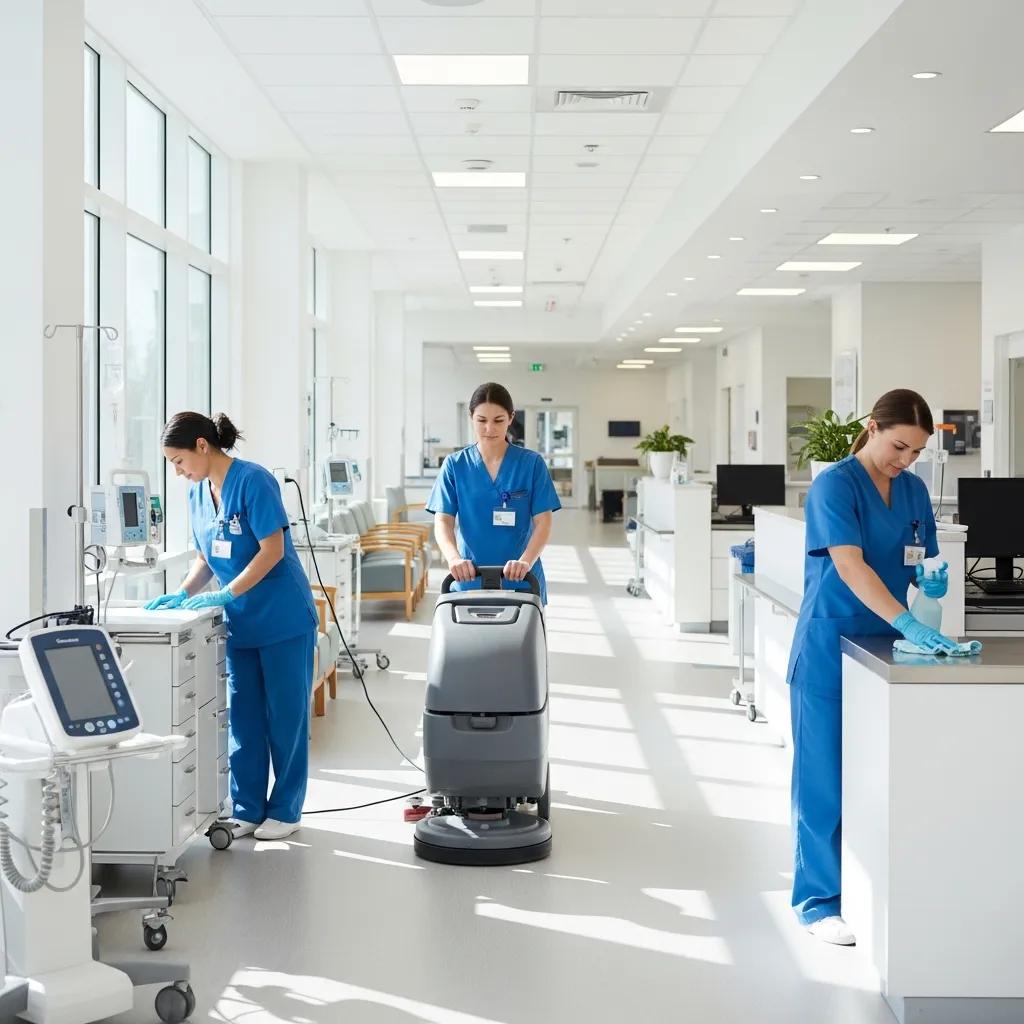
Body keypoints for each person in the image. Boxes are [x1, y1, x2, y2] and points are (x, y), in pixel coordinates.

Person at [787, 389, 959, 945]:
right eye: (899, 446)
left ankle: (867, 886)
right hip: (830, 644)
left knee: (877, 776)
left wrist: (928, 586)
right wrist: (908, 623)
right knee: (824, 779)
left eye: (916, 453)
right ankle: (818, 900)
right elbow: (851, 565)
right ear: (873, 427)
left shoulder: (911, 491)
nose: (905, 461)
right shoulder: (834, 484)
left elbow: (917, 559)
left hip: (884, 647)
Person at [144, 412, 318, 842]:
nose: (178, 471)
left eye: (178, 460)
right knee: (243, 719)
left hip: (282, 618)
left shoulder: (254, 481)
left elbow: (273, 549)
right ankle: (248, 808)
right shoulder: (198, 495)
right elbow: (206, 557)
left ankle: (286, 809)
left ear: (203, 446)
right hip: (240, 624)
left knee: (286, 717)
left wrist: (228, 593)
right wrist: (184, 593)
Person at [427, 383, 561, 603]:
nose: (489, 428)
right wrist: (453, 559)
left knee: (525, 637)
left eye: (498, 420)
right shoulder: (455, 465)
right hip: (469, 576)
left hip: (522, 578)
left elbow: (544, 522)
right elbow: (443, 521)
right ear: (471, 417)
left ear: (511, 418)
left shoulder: (532, 464)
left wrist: (525, 562)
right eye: (481, 420)